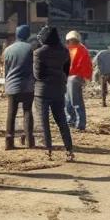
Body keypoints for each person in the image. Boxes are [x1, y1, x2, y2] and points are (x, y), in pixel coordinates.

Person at [33, 26, 75, 161]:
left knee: (44, 121)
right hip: (59, 90)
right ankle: (69, 150)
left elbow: (37, 74)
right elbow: (66, 71)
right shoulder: (64, 51)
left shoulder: (39, 52)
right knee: (62, 120)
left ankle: (49, 150)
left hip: (43, 91)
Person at [1, 24, 37, 150]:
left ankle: (9, 141)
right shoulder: (30, 49)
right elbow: (34, 68)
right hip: (27, 86)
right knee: (27, 111)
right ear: (27, 35)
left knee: (11, 113)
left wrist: (7, 82)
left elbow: (6, 70)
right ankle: (29, 140)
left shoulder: (8, 50)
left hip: (11, 85)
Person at [65, 31, 93, 131]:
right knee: (68, 101)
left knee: (75, 101)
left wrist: (85, 78)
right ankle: (71, 120)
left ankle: (80, 124)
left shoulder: (81, 50)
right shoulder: (71, 49)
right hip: (70, 77)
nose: (69, 42)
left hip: (75, 77)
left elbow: (86, 66)